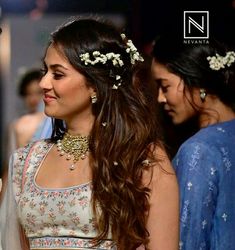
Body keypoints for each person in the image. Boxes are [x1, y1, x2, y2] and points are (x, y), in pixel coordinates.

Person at [0, 16, 179, 250]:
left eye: (58, 74)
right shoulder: (26, 162)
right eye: (45, 71)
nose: (43, 82)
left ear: (95, 84)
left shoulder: (141, 159)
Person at [151, 32, 235, 250]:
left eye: (165, 86)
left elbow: (188, 242)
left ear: (196, 80)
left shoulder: (199, 151)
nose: (160, 98)